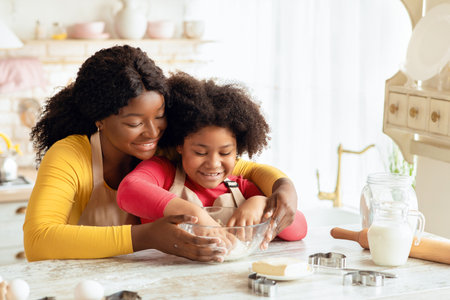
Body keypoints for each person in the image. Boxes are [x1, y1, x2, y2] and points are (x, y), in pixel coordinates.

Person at [24, 45, 299, 263]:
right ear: (100, 120)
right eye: (135, 123)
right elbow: (38, 241)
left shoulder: (165, 147)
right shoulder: (70, 156)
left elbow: (244, 169)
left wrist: (283, 187)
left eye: (160, 116)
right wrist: (146, 237)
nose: (152, 132)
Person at [117, 72, 307, 244]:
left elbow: (299, 229)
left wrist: (260, 203)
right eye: (200, 152)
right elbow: (128, 191)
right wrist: (194, 214)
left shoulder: (241, 187)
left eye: (225, 153)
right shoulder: (164, 172)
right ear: (180, 145)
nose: (213, 163)